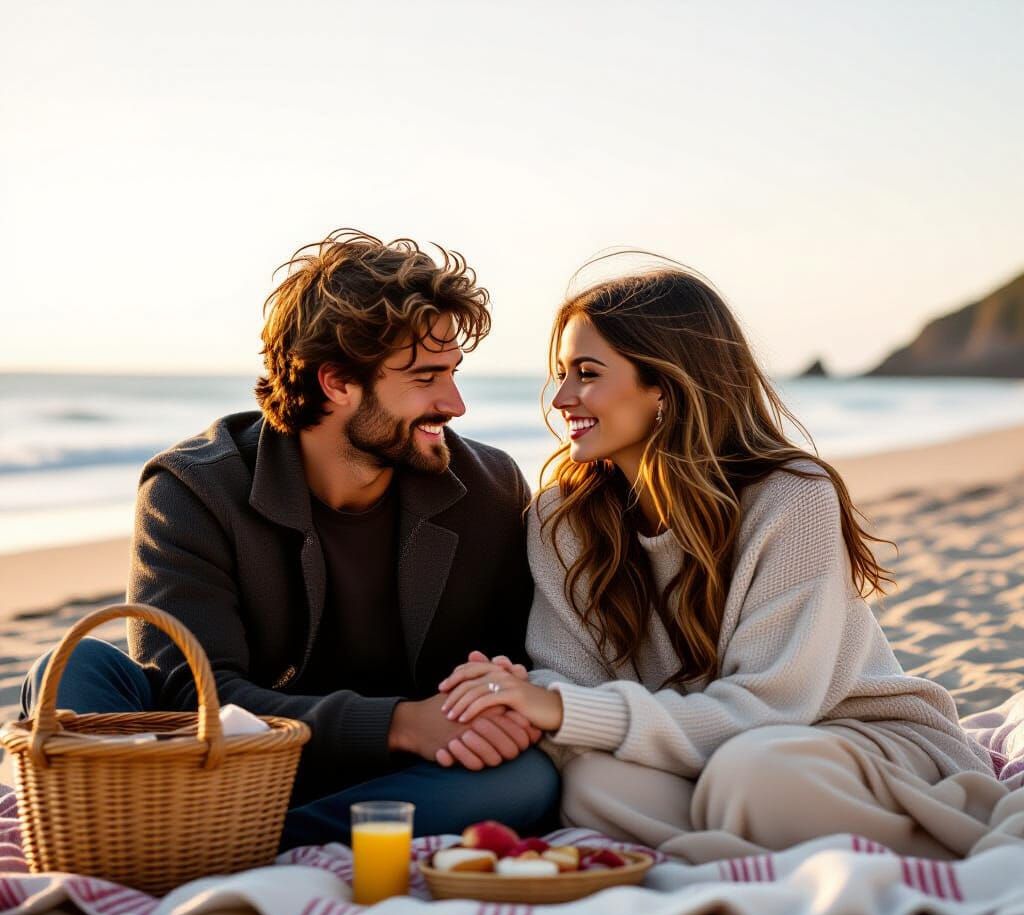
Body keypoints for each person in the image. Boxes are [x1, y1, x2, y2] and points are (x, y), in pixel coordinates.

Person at [21, 229, 560, 847]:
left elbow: (509, 658)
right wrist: (398, 723)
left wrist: (492, 700)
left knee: (527, 779)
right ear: (336, 382)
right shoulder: (192, 489)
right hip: (231, 764)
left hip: (395, 777)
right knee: (73, 669)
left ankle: (230, 841)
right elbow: (191, 695)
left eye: (454, 373)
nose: (456, 403)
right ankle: (239, 831)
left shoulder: (488, 486)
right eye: (426, 377)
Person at [438, 263, 995, 859]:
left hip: (847, 736)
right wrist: (524, 694)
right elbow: (566, 677)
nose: (563, 397)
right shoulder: (561, 517)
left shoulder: (792, 496)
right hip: (700, 750)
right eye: (561, 374)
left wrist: (558, 707)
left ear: (667, 386)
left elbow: (769, 707)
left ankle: (756, 840)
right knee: (591, 783)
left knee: (754, 775)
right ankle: (754, 848)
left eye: (588, 373)